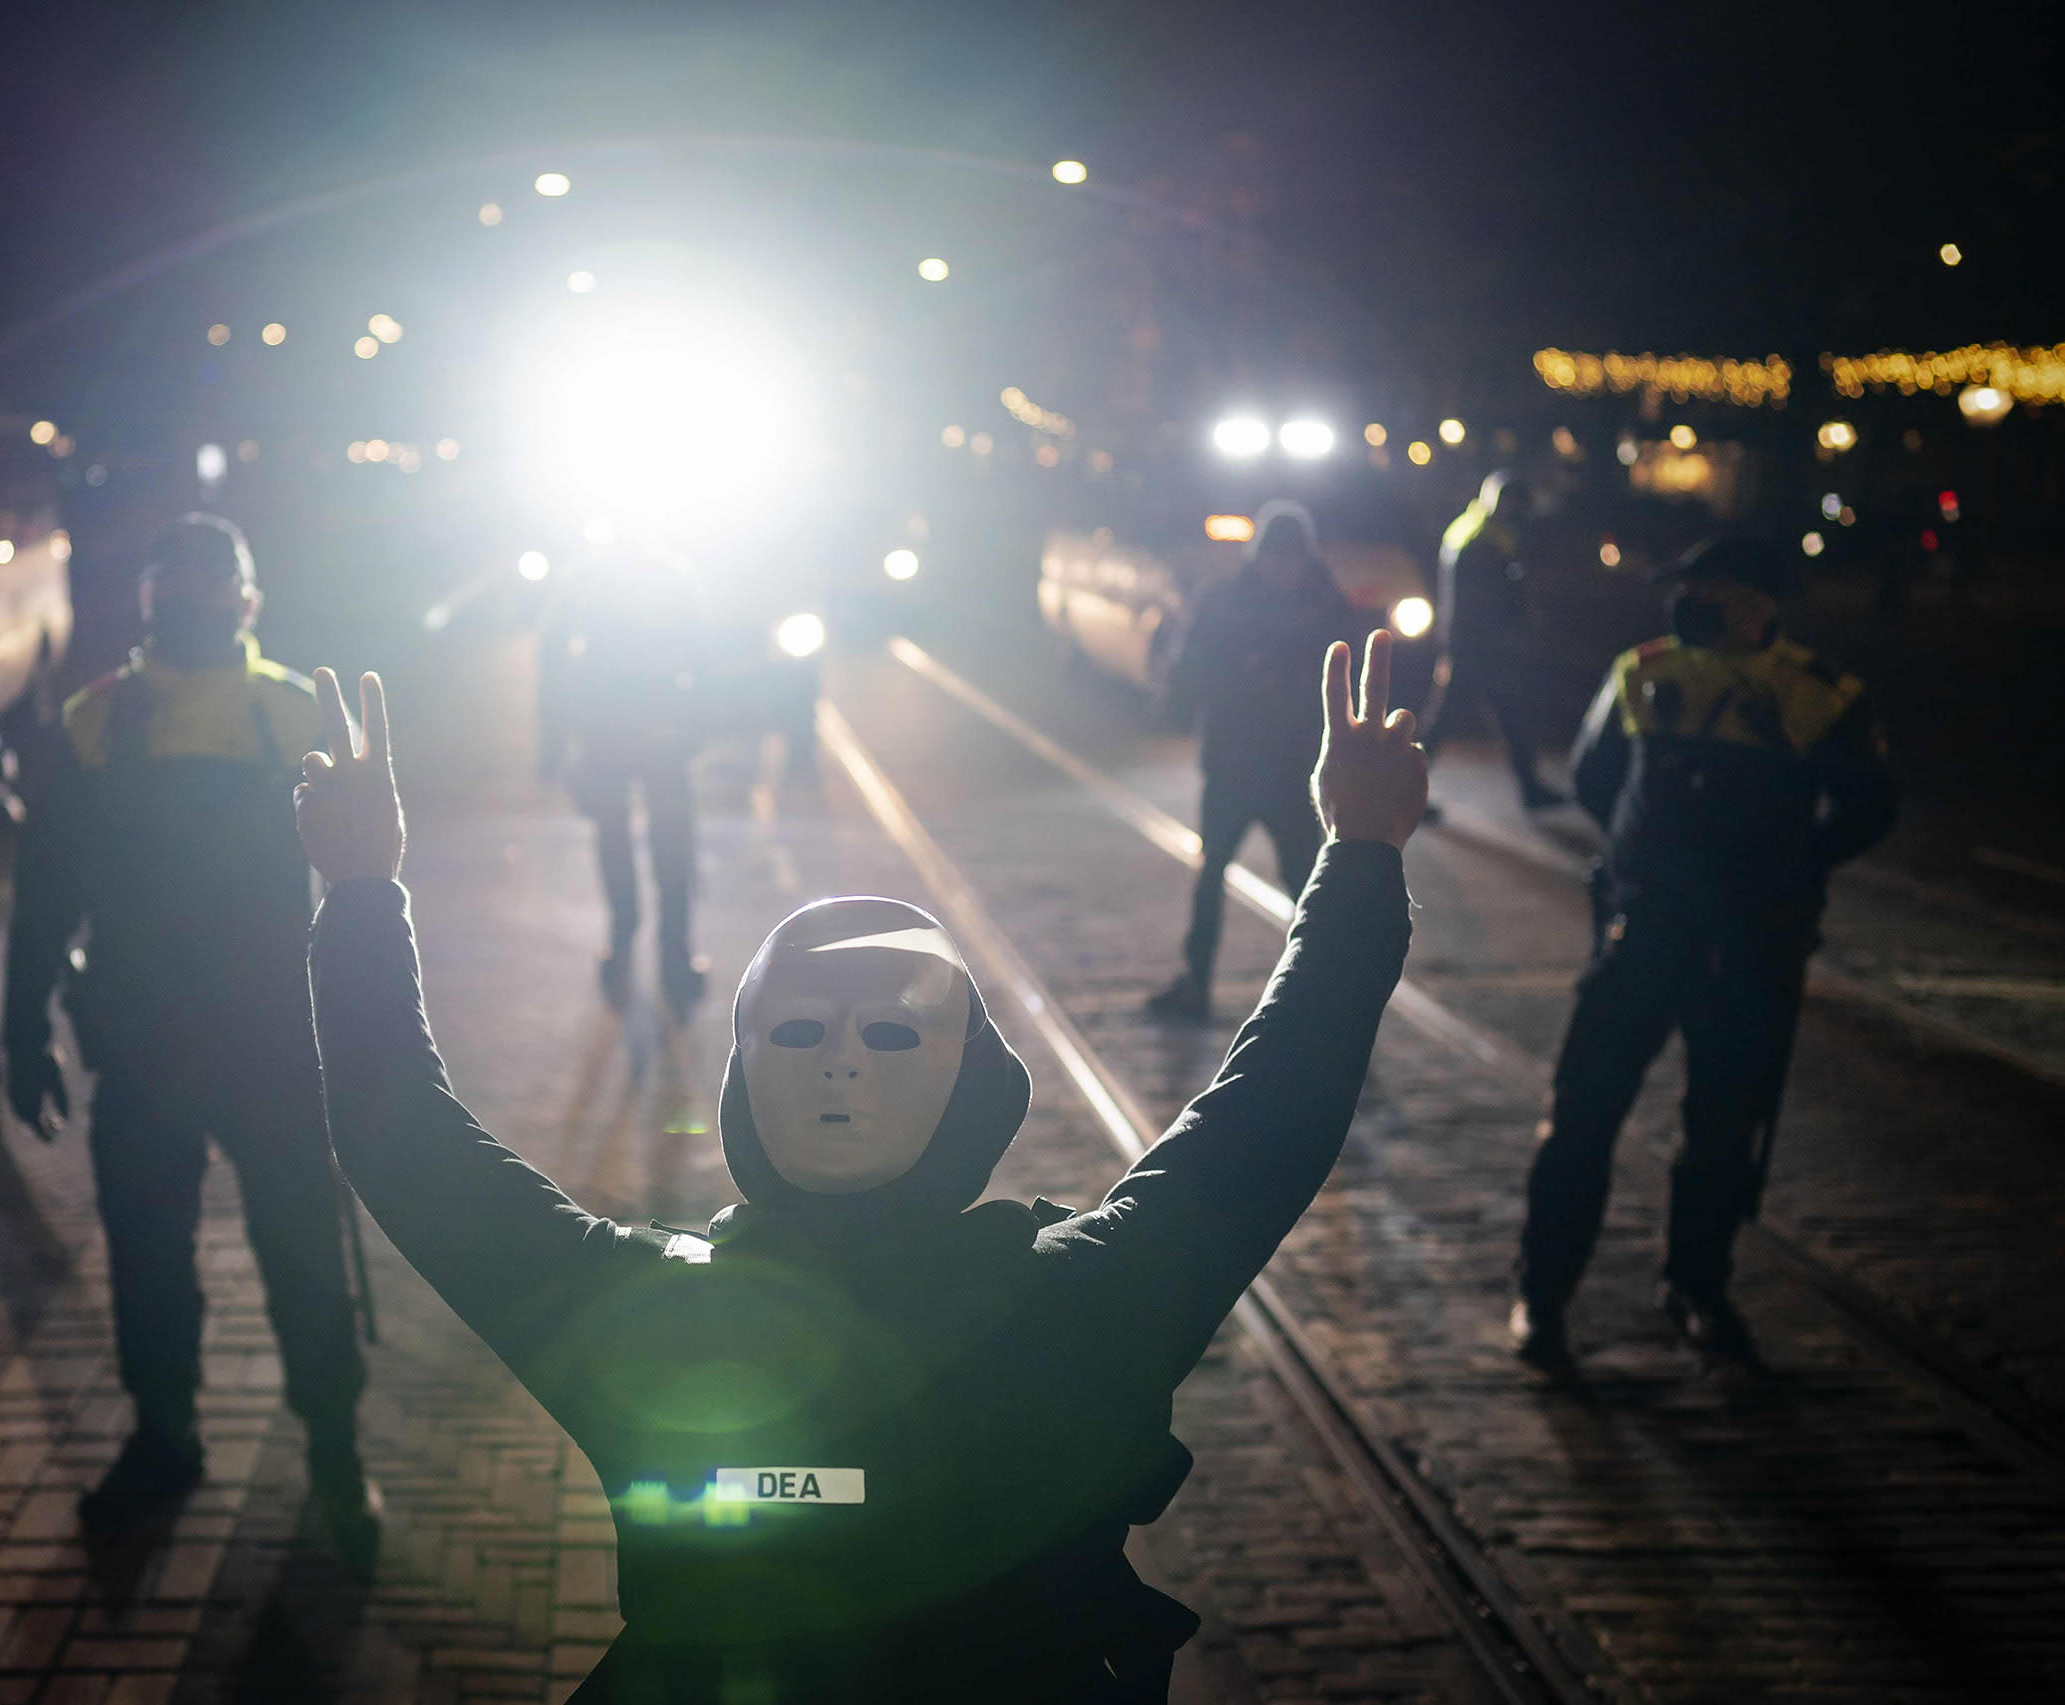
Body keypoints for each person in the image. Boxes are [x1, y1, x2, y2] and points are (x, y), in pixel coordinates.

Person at [297, 633, 1428, 1702]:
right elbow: (1273, 1110)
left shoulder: (636, 1317)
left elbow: (402, 1139)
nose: (840, 1066)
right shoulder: (1090, 1297)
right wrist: (1359, 855)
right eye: (798, 1034)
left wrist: (359, 891)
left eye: (888, 1035)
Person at [0, 514, 378, 1567]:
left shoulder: (302, 711)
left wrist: (368, 1022)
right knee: (149, 1256)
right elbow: (42, 897)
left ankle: (335, 1447)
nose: (195, 605)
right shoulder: (94, 720)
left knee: (302, 1252)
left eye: (213, 589)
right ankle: (166, 1436)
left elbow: (364, 885)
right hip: (143, 1042)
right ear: (149, 600)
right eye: (178, 587)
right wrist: (19, 1027)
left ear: (248, 604)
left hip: (273, 1043)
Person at [1511, 537, 1896, 1366]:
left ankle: (1697, 1284)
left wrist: (1791, 869)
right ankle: (1544, 1294)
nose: (1688, 606)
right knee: (1581, 1116)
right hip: (1648, 929)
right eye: (1685, 591)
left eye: (1708, 593)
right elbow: (1595, 777)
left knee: (1722, 1132)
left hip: (1749, 946)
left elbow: (1869, 804)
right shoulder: (1645, 672)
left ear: (1759, 607)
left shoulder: (1814, 694)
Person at [1147, 501, 1362, 1021]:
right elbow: (1188, 673)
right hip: (1241, 765)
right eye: (1276, 558)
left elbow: (1346, 682)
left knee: (1306, 886)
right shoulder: (1298, 603)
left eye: (1289, 559)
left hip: (1287, 770)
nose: (1282, 569)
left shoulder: (1303, 605)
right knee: (1221, 872)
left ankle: (1316, 989)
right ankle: (1199, 981)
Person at [537, 550, 710, 1014]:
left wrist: (553, 741)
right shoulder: (671, 576)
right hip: (661, 724)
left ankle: (621, 944)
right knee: (671, 841)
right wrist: (699, 723)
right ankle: (675, 959)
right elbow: (703, 654)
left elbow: (551, 656)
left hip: (604, 725)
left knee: (613, 835)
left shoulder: (588, 576)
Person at [1424, 470, 1565, 811]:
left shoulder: (1471, 527)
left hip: (1469, 642)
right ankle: (1399, 794)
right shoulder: (1487, 537)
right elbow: (1495, 598)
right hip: (1481, 646)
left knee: (1501, 715)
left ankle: (1531, 789)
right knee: (1470, 717)